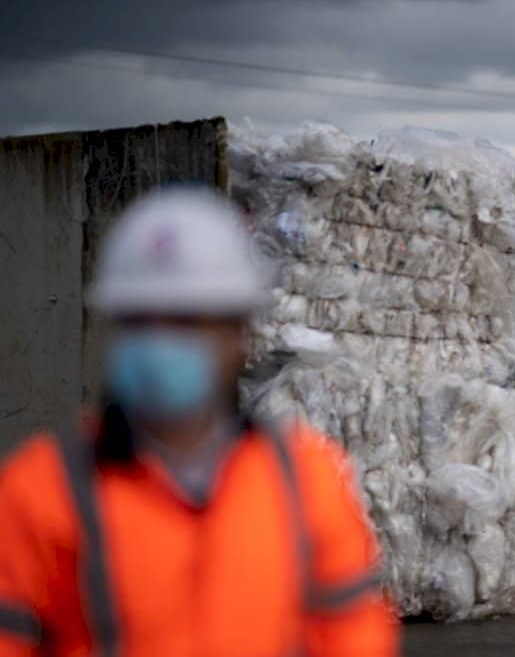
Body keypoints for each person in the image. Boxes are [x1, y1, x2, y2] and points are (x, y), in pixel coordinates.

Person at [0, 187, 399, 656]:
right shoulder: (40, 490)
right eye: (140, 320)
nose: (160, 340)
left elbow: (352, 634)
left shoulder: (305, 479)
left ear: (239, 336)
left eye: (187, 320)